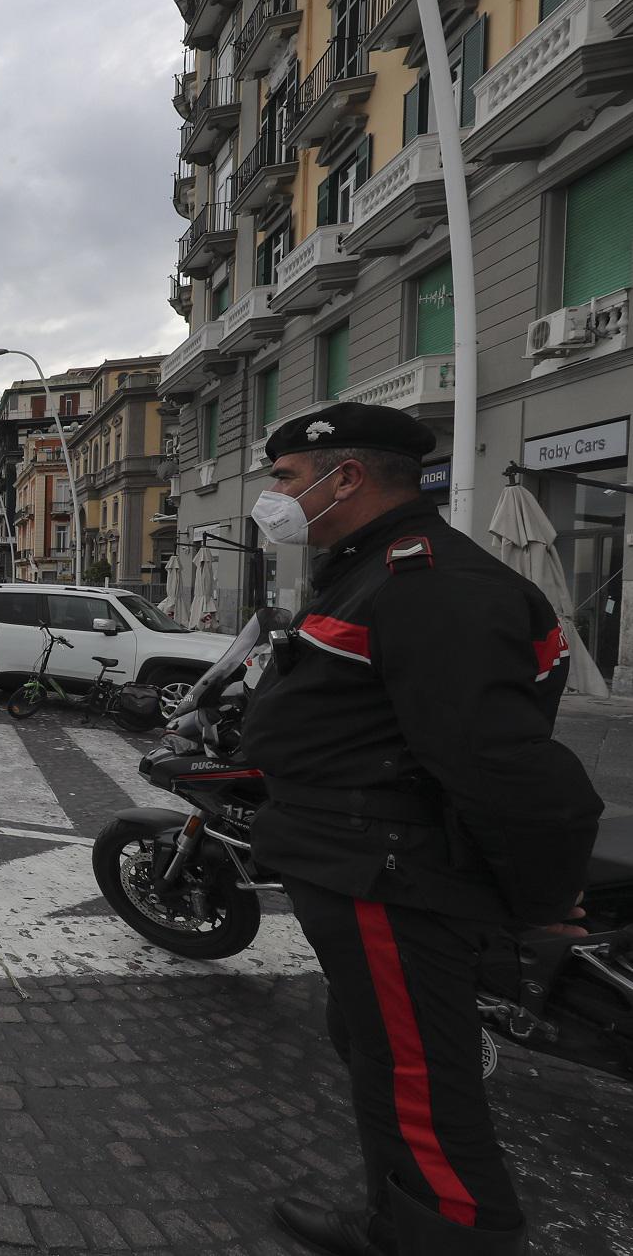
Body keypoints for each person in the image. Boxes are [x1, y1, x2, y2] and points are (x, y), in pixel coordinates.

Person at [239, 402, 600, 1256]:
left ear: (347, 478)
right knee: (375, 1050)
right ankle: (392, 1220)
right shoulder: (370, 568)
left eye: (287, 479)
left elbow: (504, 764)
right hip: (360, 863)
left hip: (389, 873)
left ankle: (446, 1237)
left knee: (417, 1079)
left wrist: (542, 898)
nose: (275, 496)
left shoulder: (429, 583)